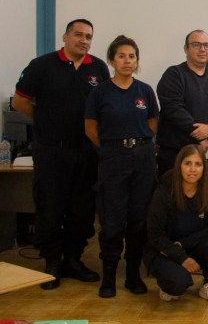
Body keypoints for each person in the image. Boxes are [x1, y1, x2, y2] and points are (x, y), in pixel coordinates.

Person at [12, 19, 110, 289]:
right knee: (50, 208)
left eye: (88, 36)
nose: (84, 40)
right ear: (65, 37)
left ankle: (73, 259)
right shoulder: (42, 66)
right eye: (78, 34)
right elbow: (19, 102)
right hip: (51, 152)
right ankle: (52, 262)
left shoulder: (98, 68)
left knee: (81, 211)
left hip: (86, 153)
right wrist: (44, 122)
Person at [84, 35, 159, 297]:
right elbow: (91, 129)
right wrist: (112, 147)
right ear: (112, 60)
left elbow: (152, 124)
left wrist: (138, 145)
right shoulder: (100, 91)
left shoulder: (145, 91)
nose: (128, 61)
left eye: (132, 56)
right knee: (112, 219)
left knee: (139, 219)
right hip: (113, 158)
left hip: (143, 158)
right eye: (122, 56)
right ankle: (108, 277)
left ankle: (133, 274)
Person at [145, 145, 208, 305]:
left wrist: (184, 244)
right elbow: (154, 234)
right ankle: (168, 284)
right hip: (164, 250)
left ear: (204, 168)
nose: (193, 169)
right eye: (187, 163)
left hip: (193, 245)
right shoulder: (164, 190)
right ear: (179, 166)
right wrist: (181, 256)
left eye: (198, 164)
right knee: (177, 285)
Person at [156, 29, 208, 175]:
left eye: (207, 45)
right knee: (173, 195)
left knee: (207, 195)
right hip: (176, 152)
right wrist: (201, 135)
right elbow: (174, 109)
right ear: (186, 48)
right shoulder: (174, 74)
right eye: (196, 45)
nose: (202, 49)